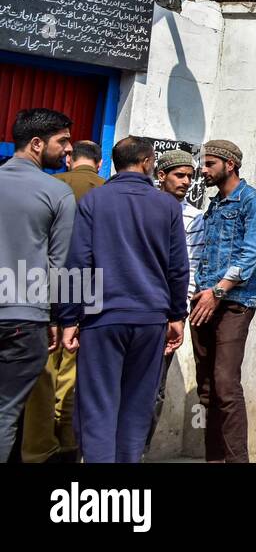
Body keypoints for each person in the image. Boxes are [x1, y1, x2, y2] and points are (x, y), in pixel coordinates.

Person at [57, 136, 188, 463]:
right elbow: (178, 268)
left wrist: (68, 319)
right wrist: (176, 316)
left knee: (98, 405)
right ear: (146, 162)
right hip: (150, 319)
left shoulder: (94, 202)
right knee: (136, 406)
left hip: (101, 319)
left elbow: (77, 262)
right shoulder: (168, 206)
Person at [21, 139, 104, 462]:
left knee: (42, 374)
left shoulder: (50, 185)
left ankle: (37, 448)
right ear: (98, 163)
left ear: (70, 159)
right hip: (87, 292)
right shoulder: (106, 190)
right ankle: (68, 441)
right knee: (72, 372)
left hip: (40, 289)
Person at [0, 109, 74, 462]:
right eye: (62, 141)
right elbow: (59, 265)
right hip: (23, 319)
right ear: (36, 143)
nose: (68, 149)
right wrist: (59, 320)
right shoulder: (56, 194)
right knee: (6, 412)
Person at [191, 139, 256, 463]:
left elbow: (250, 254)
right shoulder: (214, 205)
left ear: (229, 164)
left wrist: (218, 292)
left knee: (225, 385)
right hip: (203, 300)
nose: (203, 170)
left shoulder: (252, 202)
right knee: (207, 388)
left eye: (209, 164)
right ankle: (214, 459)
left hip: (233, 301)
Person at [144, 148, 207, 451]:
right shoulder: (142, 208)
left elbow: (191, 269)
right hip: (135, 311)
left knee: (154, 390)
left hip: (165, 314)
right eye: (179, 175)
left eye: (190, 176)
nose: (185, 181)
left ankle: (137, 452)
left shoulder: (195, 219)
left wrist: (178, 315)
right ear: (160, 176)